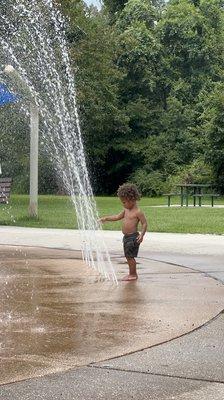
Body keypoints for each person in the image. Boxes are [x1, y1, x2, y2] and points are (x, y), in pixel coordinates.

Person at [99, 183, 148, 281]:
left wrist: (142, 235)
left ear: (132, 199)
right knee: (128, 256)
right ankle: (132, 273)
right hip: (126, 238)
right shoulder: (126, 210)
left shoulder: (138, 212)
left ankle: (133, 274)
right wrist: (106, 218)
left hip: (133, 237)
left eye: (124, 202)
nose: (123, 204)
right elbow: (117, 217)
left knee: (130, 257)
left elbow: (144, 224)